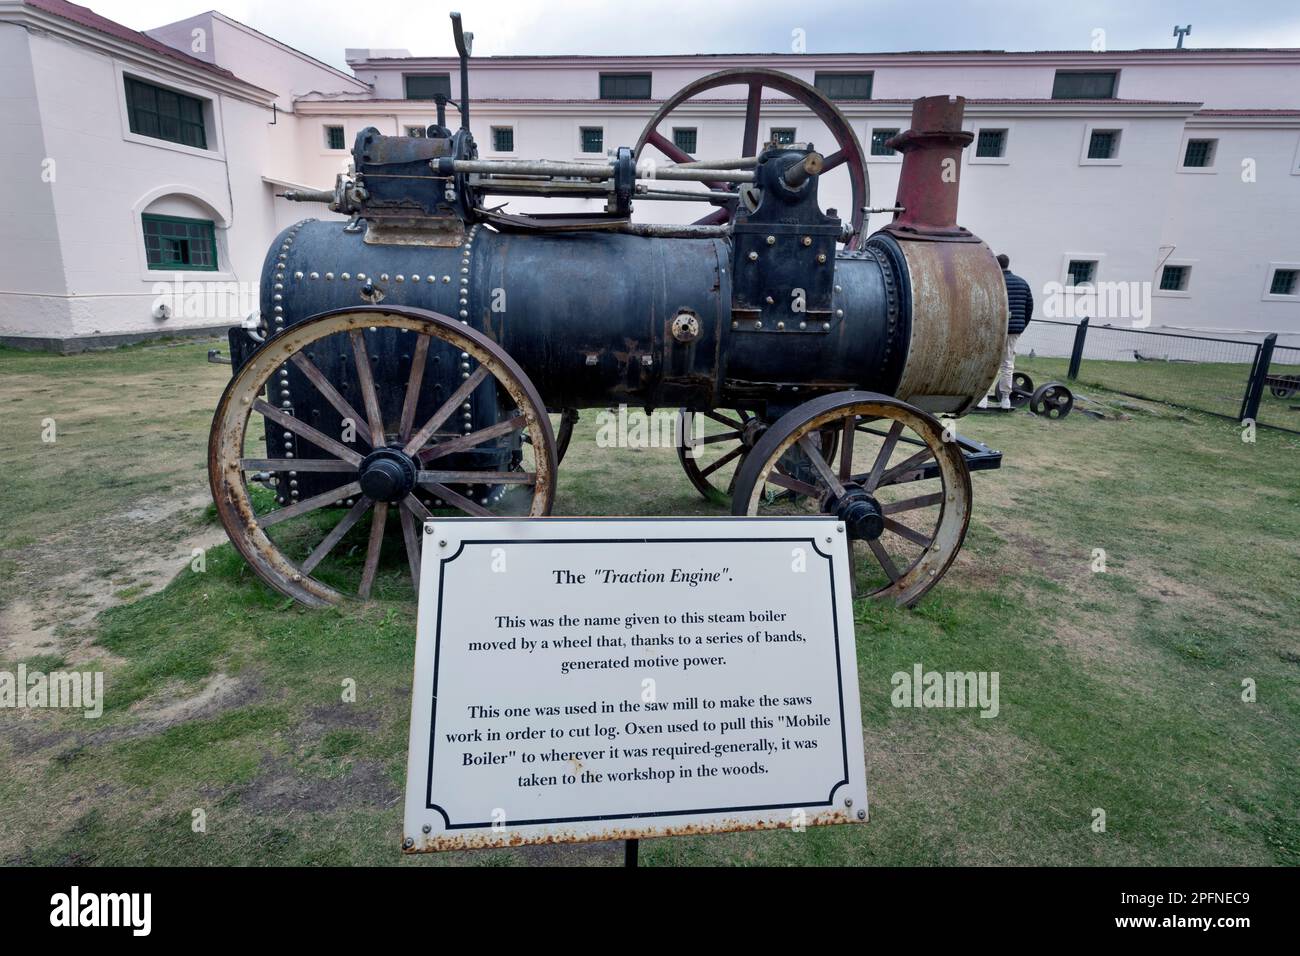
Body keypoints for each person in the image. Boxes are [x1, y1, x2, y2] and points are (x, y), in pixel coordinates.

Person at [979, 253, 1033, 410]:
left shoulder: (993, 282)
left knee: (989, 364)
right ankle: (1005, 399)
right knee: (1007, 364)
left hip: (995, 329)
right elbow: (1029, 307)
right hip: (1014, 330)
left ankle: (983, 398)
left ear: (996, 263)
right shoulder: (1022, 283)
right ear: (1008, 264)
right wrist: (1021, 326)